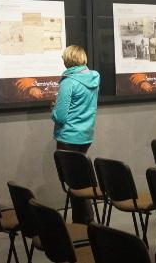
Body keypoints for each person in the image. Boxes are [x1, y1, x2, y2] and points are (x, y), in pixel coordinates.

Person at [51, 45, 100, 224]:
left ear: (68, 60)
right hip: (86, 136)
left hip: (68, 137)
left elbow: (61, 116)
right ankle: (83, 221)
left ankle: (84, 222)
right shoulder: (94, 77)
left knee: (74, 182)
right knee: (79, 179)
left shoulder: (68, 82)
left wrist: (53, 109)